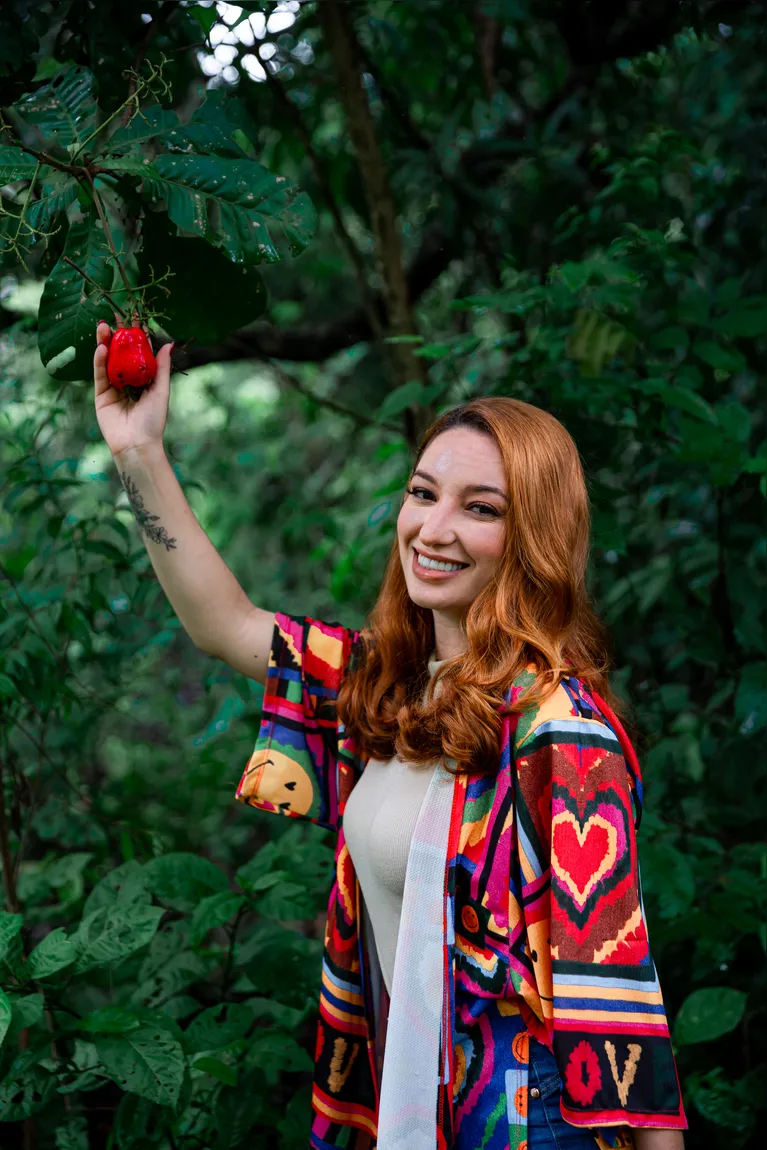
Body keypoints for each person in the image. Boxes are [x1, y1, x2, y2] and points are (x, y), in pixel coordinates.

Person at [94, 323, 688, 1150]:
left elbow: (620, 990)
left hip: (524, 1120)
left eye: (480, 509)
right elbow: (225, 626)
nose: (433, 529)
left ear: (533, 540)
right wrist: (139, 449)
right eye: (422, 493)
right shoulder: (385, 690)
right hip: (413, 1102)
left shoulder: (559, 732)